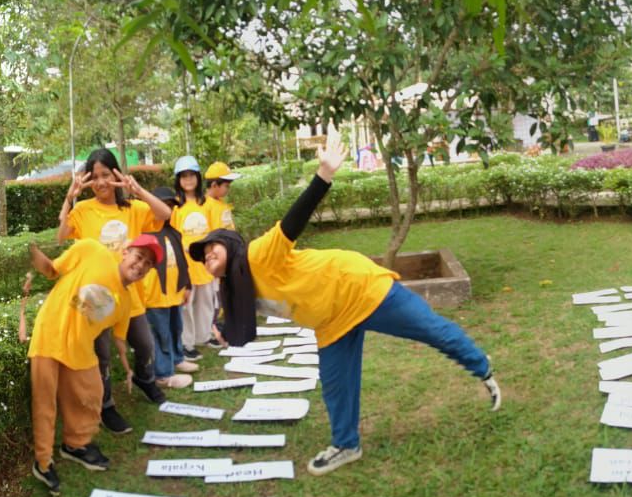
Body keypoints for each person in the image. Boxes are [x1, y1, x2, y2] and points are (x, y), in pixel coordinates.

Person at [189, 137, 502, 476]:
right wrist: (220, 327)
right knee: (337, 385)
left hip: (362, 289)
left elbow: (293, 220)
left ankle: (480, 364)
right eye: (203, 256)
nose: (207, 255)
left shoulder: (257, 255)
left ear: (231, 245)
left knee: (429, 329)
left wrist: (324, 175)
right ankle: (346, 444)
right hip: (331, 322)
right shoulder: (234, 288)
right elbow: (233, 318)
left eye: (212, 248)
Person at [26, 234, 163, 495]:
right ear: (125, 252)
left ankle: (76, 445)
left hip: (80, 349)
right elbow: (52, 270)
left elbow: (119, 338)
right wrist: (30, 253)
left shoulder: (126, 301)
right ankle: (43, 463)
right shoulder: (92, 250)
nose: (140, 264)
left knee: (93, 393)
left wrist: (128, 366)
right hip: (49, 335)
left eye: (147, 263)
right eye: (139, 256)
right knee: (45, 402)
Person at [57, 148, 173, 433]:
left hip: (128, 293)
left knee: (144, 344)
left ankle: (146, 379)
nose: (100, 182)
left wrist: (138, 190)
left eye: (106, 175)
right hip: (96, 294)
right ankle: (106, 406)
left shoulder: (132, 209)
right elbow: (60, 237)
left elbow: (165, 213)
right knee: (102, 354)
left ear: (116, 175)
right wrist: (70, 198)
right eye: (94, 177)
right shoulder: (83, 210)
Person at [139, 186, 198, 389]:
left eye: (170, 206)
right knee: (160, 334)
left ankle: (177, 358)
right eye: (162, 205)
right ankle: (163, 374)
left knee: (175, 329)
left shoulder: (174, 232)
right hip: (154, 296)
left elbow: (182, 260)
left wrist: (187, 285)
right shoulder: (146, 233)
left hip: (175, 293)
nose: (166, 210)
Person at [171, 156, 220, 360]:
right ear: (178, 179)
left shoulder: (207, 203)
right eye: (184, 176)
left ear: (198, 178)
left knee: (206, 300)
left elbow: (215, 231)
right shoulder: (175, 206)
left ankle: (204, 335)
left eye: (192, 175)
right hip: (185, 264)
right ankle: (187, 342)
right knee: (187, 305)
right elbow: (173, 233)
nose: (188, 179)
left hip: (204, 262)